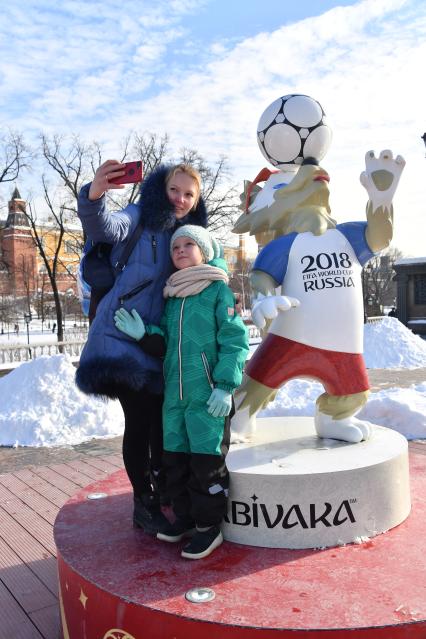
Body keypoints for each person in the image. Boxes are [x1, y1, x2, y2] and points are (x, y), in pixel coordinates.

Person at [75, 160, 208, 535]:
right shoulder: (140, 216)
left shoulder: (188, 236)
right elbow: (106, 226)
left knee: (161, 424)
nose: (180, 199)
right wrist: (94, 195)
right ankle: (143, 502)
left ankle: (163, 485)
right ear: (160, 189)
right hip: (118, 335)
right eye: (174, 190)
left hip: (154, 340)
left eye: (188, 194)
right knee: (140, 419)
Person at [114, 226, 249, 559]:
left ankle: (208, 528)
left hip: (208, 397)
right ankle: (186, 519)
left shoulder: (218, 291)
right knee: (175, 463)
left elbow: (235, 342)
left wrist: (225, 387)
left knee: (206, 465)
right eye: (176, 245)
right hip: (174, 398)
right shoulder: (172, 295)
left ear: (204, 251)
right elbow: (166, 342)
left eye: (190, 244)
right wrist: (144, 334)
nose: (181, 249)